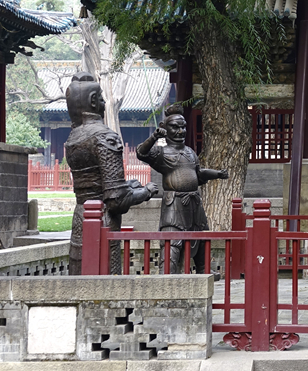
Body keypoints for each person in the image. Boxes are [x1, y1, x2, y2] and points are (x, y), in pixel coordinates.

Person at [64, 73, 158, 275]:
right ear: (93, 101)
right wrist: (146, 191)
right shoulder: (105, 137)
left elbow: (94, 184)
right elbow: (116, 200)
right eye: (101, 98)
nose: (104, 102)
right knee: (106, 277)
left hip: (80, 217)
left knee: (79, 276)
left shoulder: (73, 137)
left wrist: (128, 185)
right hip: (103, 221)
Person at [137, 104, 228, 273]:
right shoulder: (161, 153)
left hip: (194, 203)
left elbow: (198, 174)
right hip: (174, 203)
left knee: (201, 235)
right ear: (165, 127)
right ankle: (167, 272)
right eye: (175, 127)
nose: (180, 131)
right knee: (172, 239)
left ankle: (204, 269)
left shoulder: (190, 152)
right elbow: (141, 153)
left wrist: (217, 174)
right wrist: (154, 136)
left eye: (183, 127)